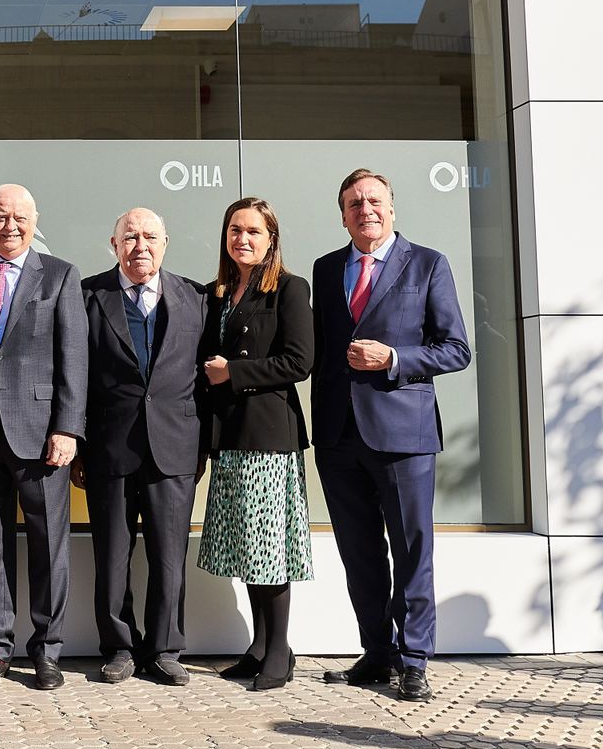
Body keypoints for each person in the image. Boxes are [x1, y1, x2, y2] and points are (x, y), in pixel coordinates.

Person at [311, 169, 471, 703]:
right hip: (339, 437)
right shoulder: (327, 268)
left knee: (411, 552)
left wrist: (396, 359)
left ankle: (416, 659)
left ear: (392, 208)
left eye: (374, 200)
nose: (365, 209)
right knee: (359, 554)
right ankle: (377, 654)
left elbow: (456, 349)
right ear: (343, 214)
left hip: (404, 435)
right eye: (354, 202)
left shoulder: (428, 264)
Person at [0, 184, 87, 690]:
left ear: (35, 220)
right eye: (0, 217)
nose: (10, 225)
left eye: (19, 217)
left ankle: (47, 652)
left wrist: (68, 427)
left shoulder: (61, 275)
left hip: (41, 435)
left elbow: (74, 357)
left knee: (49, 546)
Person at [74, 208, 206, 686]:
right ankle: (118, 647)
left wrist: (203, 446)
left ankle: (166, 649)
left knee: (170, 556)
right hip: (110, 448)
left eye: (150, 236)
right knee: (112, 555)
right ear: (114, 245)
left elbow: (204, 381)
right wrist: (80, 444)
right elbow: (76, 376)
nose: (140, 246)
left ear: (166, 242)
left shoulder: (194, 297)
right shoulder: (88, 295)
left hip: (175, 446)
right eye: (130, 237)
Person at [196, 197, 314, 692]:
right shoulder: (216, 293)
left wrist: (233, 373)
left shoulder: (289, 288)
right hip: (229, 435)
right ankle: (260, 646)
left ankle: (280, 652)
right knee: (247, 547)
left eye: (253, 231)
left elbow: (299, 362)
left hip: (268, 437)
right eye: (234, 230)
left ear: (271, 240)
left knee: (269, 550)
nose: (242, 239)